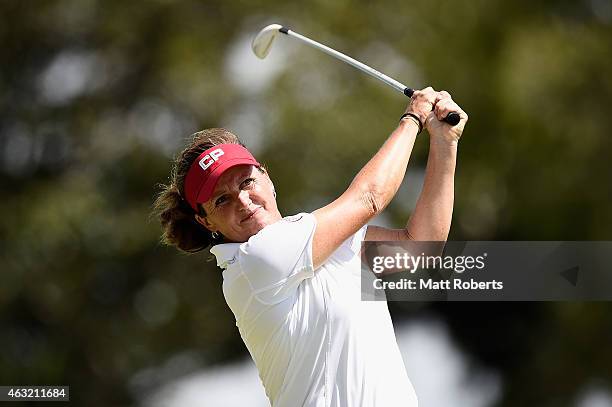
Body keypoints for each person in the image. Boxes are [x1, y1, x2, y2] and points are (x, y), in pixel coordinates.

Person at [153, 87, 467, 406]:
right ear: (206, 222)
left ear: (266, 177)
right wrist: (413, 117)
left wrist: (444, 143)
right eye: (222, 200)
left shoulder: (317, 240)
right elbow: (369, 198)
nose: (243, 201)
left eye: (247, 182)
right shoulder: (254, 263)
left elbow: (420, 247)